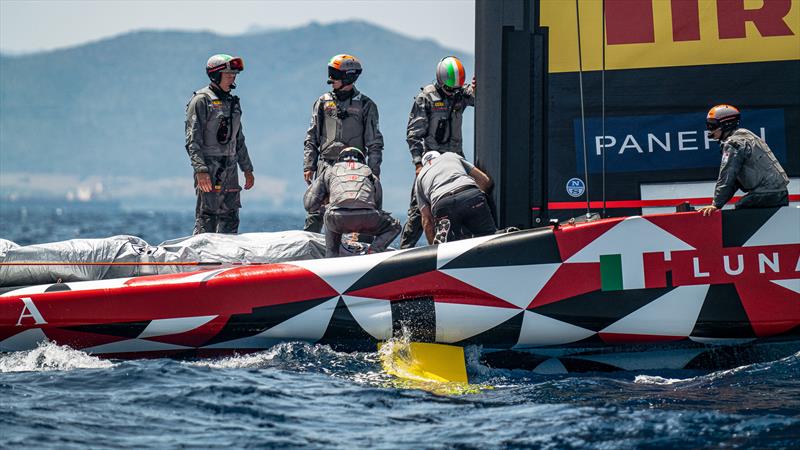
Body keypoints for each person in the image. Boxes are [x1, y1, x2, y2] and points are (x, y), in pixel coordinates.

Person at [400, 56, 476, 248]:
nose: (453, 93)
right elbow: (414, 134)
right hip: (431, 163)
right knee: (419, 211)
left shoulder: (461, 94)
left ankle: (464, 247)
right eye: (450, 89)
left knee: (470, 199)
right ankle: (405, 250)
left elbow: (478, 98)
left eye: (457, 89)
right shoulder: (426, 98)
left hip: (456, 160)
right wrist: (418, 163)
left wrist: (480, 86)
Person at [303, 54, 384, 233]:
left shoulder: (366, 105)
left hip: (355, 169)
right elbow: (311, 137)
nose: (331, 81)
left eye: (335, 76)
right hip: (326, 166)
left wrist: (373, 174)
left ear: (348, 76)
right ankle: (309, 249)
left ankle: (364, 251)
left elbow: (375, 144)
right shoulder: (323, 103)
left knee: (360, 209)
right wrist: (309, 165)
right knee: (316, 213)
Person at [185, 54, 254, 234]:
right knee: (207, 216)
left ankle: (227, 258)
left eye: (234, 74)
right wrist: (201, 170)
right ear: (215, 75)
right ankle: (201, 257)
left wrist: (247, 169)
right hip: (209, 167)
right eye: (228, 73)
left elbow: (238, 139)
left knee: (231, 216)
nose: (233, 77)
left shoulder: (233, 103)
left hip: (230, 168)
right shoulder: (201, 101)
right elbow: (193, 140)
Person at [304, 147, 400, 258]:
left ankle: (331, 258)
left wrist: (325, 206)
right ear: (362, 161)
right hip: (367, 218)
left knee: (329, 219)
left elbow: (309, 205)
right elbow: (377, 208)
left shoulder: (330, 171)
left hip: (336, 218)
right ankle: (373, 251)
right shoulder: (371, 175)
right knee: (394, 227)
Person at [699, 104, 789, 216]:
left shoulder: (733, 143)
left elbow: (727, 176)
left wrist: (715, 204)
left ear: (726, 124)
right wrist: (718, 203)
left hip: (765, 194)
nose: (709, 130)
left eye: (711, 125)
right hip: (780, 193)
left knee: (739, 213)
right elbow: (735, 180)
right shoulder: (747, 135)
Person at [415, 151, 495, 244]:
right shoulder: (451, 156)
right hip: (469, 194)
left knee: (450, 243)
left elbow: (427, 220)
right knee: (488, 238)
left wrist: (433, 251)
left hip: (442, 204)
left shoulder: (420, 178)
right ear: (439, 156)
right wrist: (478, 200)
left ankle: (445, 240)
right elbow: (485, 181)